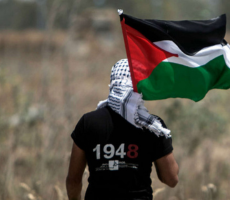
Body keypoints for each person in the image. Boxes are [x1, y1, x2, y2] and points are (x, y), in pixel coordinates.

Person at [66, 59, 179, 200]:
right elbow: (171, 179)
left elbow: (73, 180)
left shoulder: (88, 122)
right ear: (140, 85)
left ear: (113, 82)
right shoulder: (152, 126)